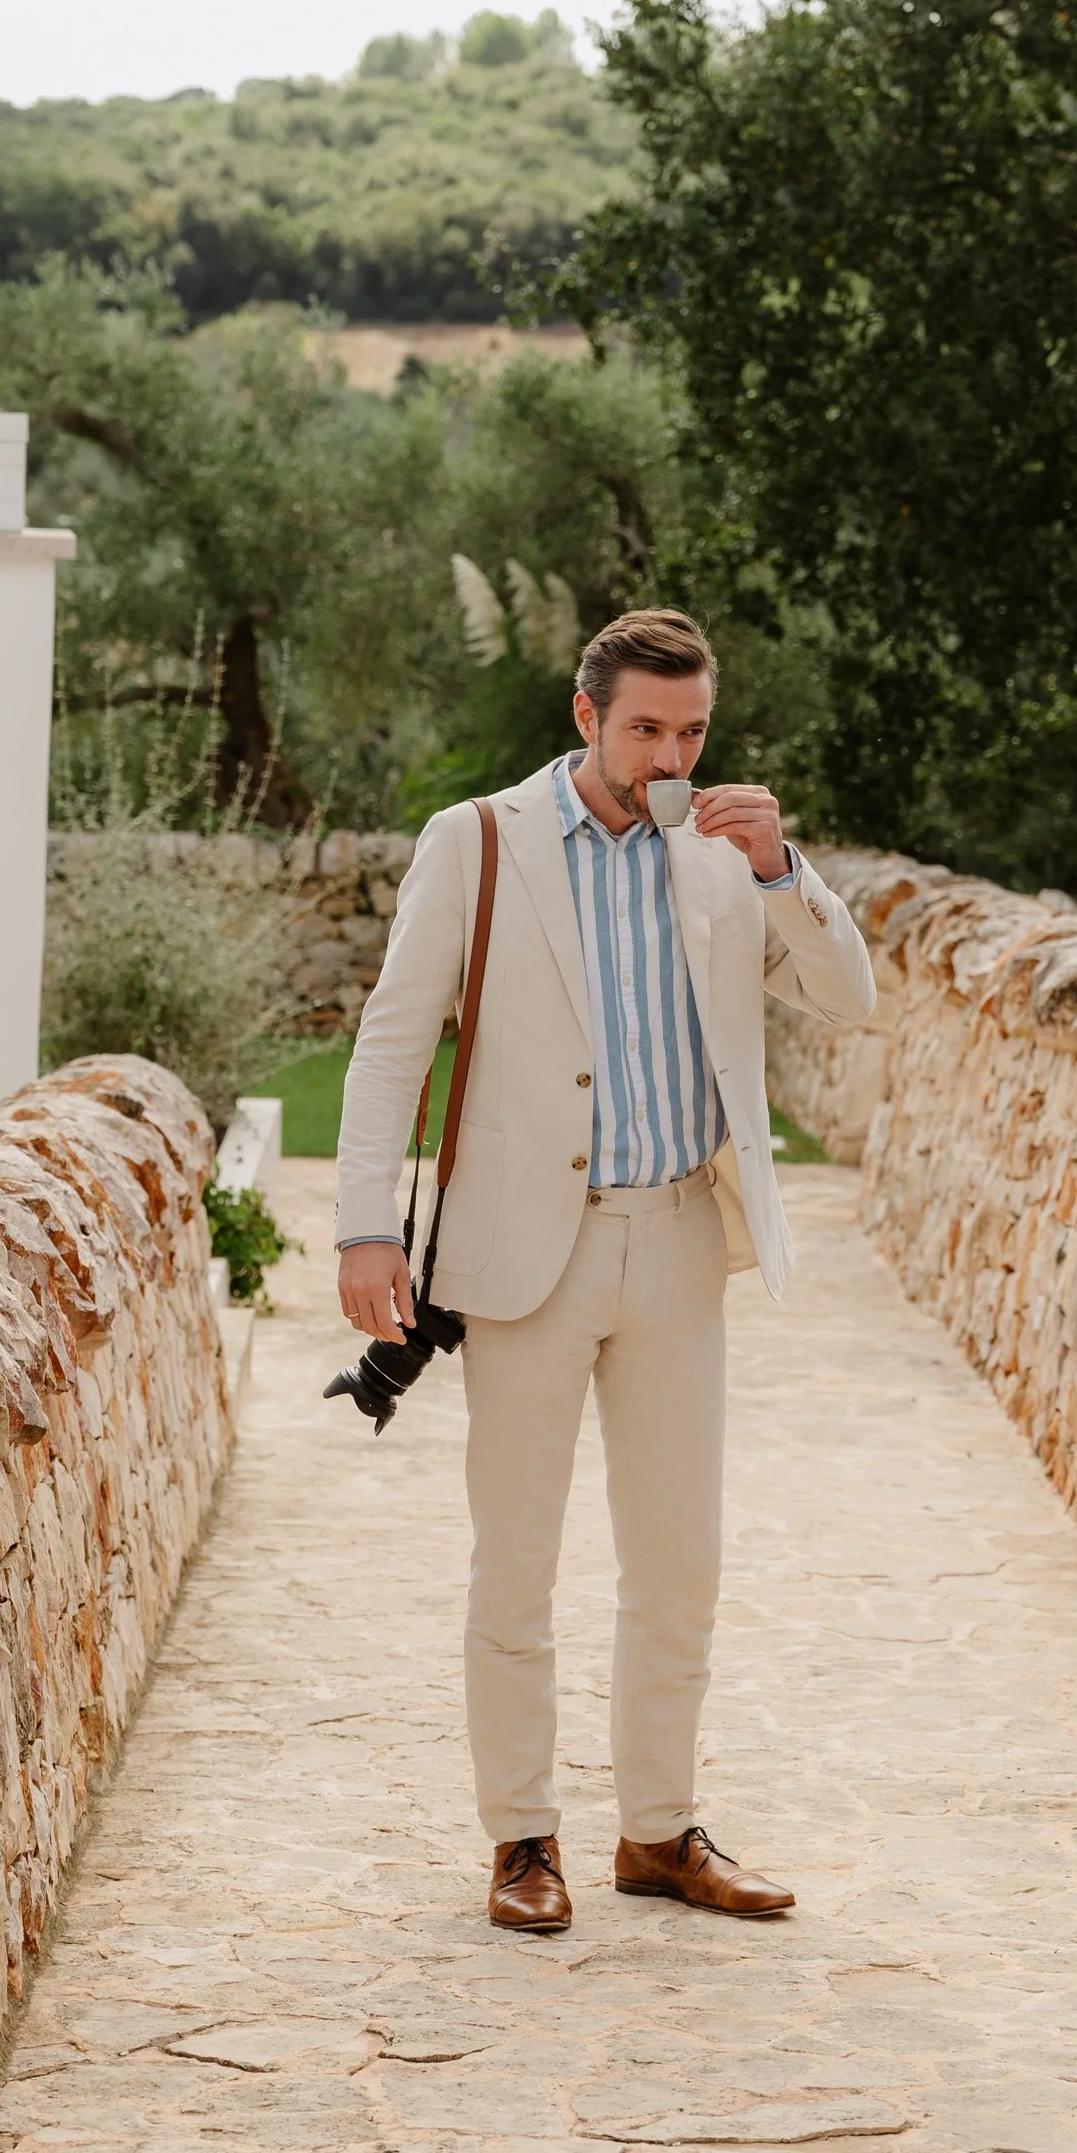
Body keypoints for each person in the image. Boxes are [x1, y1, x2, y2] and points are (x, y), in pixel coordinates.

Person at [334, 607, 877, 1934]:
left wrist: (781, 867)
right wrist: (363, 1226)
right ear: (588, 718)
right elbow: (394, 1034)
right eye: (646, 727)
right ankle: (523, 1838)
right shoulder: (478, 842)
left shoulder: (720, 863)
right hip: (529, 1245)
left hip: (681, 1236)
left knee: (678, 1560)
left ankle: (658, 1830)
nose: (669, 753)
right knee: (516, 1559)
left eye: (691, 730)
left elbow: (850, 998)